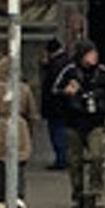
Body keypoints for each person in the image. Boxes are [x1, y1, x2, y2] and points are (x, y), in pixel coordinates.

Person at [54, 39, 105, 208]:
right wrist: (66, 92)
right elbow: (54, 91)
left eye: (95, 53)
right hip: (73, 121)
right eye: (90, 53)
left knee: (97, 156)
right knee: (75, 160)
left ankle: (95, 192)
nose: (94, 57)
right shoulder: (70, 71)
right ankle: (78, 194)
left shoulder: (102, 72)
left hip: (95, 121)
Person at [0, 56, 35, 208]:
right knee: (18, 165)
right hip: (20, 127)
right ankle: (18, 199)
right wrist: (28, 130)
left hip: (1, 126)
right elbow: (32, 113)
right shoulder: (24, 89)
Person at [38, 38, 72, 170]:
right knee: (62, 132)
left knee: (57, 133)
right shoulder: (67, 62)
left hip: (56, 106)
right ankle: (64, 158)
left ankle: (61, 160)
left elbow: (51, 86)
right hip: (64, 106)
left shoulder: (56, 65)